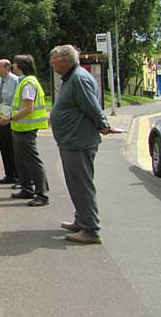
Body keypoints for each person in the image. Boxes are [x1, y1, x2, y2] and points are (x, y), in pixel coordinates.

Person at [49, 45, 118, 244]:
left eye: (54, 59)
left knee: (81, 185)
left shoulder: (78, 78)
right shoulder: (73, 77)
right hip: (72, 140)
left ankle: (91, 230)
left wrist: (103, 125)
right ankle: (82, 220)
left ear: (65, 60)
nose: (51, 63)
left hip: (78, 141)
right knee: (76, 184)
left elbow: (91, 105)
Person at [0, 54, 50, 207]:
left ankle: (41, 194)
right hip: (20, 128)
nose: (13, 66)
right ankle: (27, 189)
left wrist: (10, 119)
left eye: (15, 64)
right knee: (21, 161)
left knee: (32, 161)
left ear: (20, 66)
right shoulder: (23, 82)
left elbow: (28, 108)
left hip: (27, 129)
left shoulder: (28, 83)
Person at [0, 59, 19, 185]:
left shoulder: (15, 81)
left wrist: (11, 118)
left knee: (12, 148)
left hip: (10, 120)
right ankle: (9, 174)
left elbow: (17, 101)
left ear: (7, 68)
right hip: (0, 117)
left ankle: (17, 176)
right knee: (3, 147)